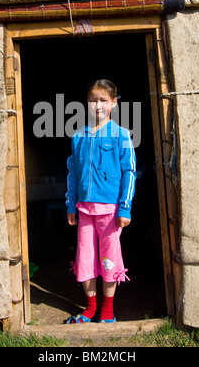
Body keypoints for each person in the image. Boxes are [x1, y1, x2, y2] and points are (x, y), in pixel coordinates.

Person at [65, 79, 136, 323]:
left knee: (109, 259)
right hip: (84, 209)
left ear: (114, 103)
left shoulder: (121, 135)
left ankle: (106, 311)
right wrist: (70, 204)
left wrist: (124, 208)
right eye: (93, 100)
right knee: (85, 258)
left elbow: (129, 172)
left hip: (111, 211)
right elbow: (73, 173)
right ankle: (90, 308)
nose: (98, 105)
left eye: (103, 100)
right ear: (86, 103)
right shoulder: (78, 137)